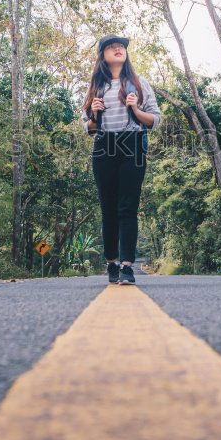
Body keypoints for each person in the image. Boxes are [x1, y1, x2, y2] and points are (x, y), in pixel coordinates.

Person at [80, 34, 161, 285]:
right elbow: (88, 128)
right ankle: (112, 263)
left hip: (132, 144)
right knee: (108, 208)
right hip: (104, 146)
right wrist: (94, 115)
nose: (119, 49)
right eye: (112, 46)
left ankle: (127, 266)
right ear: (102, 55)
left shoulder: (139, 83)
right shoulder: (96, 86)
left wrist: (136, 110)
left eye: (122, 47)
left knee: (128, 206)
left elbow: (155, 120)